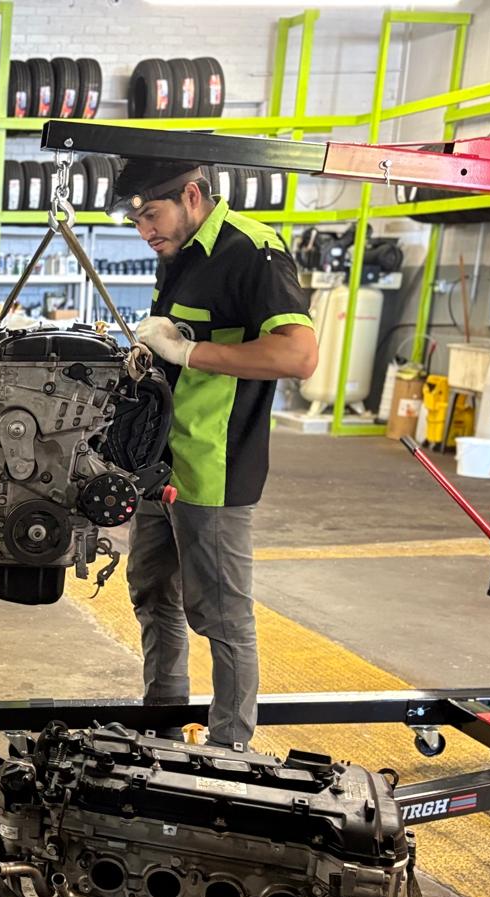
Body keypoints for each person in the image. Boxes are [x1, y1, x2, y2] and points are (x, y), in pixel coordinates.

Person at [109, 158, 318, 748]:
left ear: (192, 195)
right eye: (137, 221)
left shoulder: (251, 251)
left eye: (151, 215)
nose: (145, 231)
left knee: (222, 617)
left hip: (216, 467)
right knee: (153, 594)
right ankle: (162, 723)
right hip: (161, 462)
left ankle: (231, 751)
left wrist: (188, 355)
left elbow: (298, 356)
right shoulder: (179, 255)